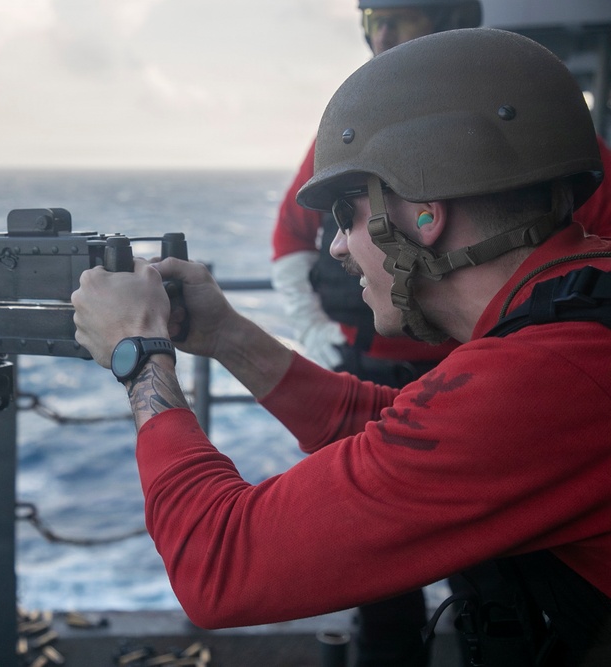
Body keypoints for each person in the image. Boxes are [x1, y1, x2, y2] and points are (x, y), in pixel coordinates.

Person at [72, 28, 611, 666]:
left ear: (424, 216)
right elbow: (399, 431)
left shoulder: (549, 375)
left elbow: (221, 567)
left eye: (348, 214)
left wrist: (141, 358)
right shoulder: (577, 313)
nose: (334, 248)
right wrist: (227, 336)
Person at [269, 3, 611, 663]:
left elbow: (223, 563)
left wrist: (145, 368)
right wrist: (304, 334)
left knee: (486, 560)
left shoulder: (544, 135)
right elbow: (289, 236)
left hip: (496, 370)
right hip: (403, 364)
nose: (381, 36)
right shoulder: (366, 128)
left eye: (399, 18)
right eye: (371, 20)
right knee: (393, 583)